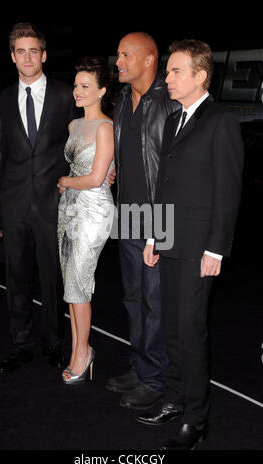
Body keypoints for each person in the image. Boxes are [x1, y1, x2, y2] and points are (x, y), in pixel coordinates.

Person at [138, 39, 244, 450]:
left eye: (175, 71)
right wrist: (154, 235)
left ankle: (197, 418)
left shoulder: (222, 121)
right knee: (171, 330)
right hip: (170, 241)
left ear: (200, 75)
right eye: (168, 71)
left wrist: (216, 249)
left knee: (191, 329)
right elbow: (164, 186)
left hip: (201, 247)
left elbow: (227, 191)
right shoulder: (171, 121)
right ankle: (177, 398)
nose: (167, 78)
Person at [0, 22, 81, 373]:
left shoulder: (64, 94)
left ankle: (53, 342)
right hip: (12, 204)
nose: (27, 57)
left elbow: (78, 144)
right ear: (12, 56)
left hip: (52, 202)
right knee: (16, 277)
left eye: (33, 50)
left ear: (44, 54)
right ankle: (21, 342)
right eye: (20, 51)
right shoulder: (3, 99)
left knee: (53, 277)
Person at [106, 32, 180, 409]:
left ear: (149, 60)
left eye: (125, 55)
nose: (118, 61)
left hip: (158, 215)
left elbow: (177, 166)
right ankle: (139, 366)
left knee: (154, 300)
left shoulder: (169, 102)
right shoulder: (121, 102)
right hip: (127, 214)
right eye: (118, 54)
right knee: (133, 297)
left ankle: (155, 378)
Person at [57, 56, 114, 385]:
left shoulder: (106, 127)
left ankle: (83, 352)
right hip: (68, 210)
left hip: (92, 211)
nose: (77, 91)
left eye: (85, 87)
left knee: (80, 286)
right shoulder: (73, 126)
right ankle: (79, 347)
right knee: (71, 286)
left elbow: (95, 179)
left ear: (101, 91)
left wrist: (65, 182)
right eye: (76, 85)